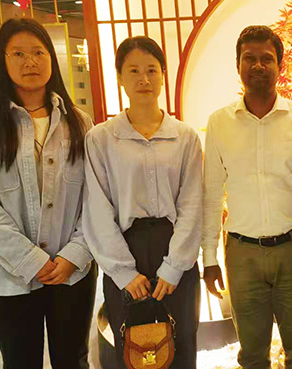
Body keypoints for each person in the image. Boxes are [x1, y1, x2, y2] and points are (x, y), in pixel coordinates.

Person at [0, 18, 96, 369]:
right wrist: (30, 260)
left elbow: (96, 199)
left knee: (73, 362)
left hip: (72, 272)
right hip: (8, 277)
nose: (30, 62)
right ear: (2, 61)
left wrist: (75, 254)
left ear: (51, 58)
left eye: (38, 52)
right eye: (18, 54)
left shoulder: (80, 123)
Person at [202, 25, 292, 369]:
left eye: (267, 59)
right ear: (238, 65)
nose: (258, 66)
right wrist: (209, 258)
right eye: (249, 58)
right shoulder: (219, 123)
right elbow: (211, 195)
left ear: (279, 66)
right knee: (252, 356)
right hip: (242, 255)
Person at [83, 36, 203, 369]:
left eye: (152, 70)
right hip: (125, 250)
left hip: (175, 253)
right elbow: (96, 209)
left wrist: (174, 267)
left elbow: (192, 205)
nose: (144, 79)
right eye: (133, 70)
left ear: (163, 75)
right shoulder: (101, 138)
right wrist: (123, 271)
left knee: (180, 348)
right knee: (134, 351)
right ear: (120, 77)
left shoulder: (185, 137)